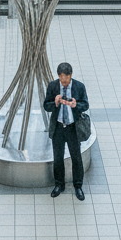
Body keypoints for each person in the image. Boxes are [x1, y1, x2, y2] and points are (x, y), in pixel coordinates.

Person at [43, 62, 90, 200]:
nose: (64, 81)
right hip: (58, 127)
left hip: (72, 127)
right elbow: (46, 105)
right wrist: (55, 103)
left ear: (71, 75)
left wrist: (76, 105)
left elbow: (85, 104)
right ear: (58, 76)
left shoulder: (79, 86)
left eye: (66, 78)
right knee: (58, 158)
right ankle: (59, 185)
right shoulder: (53, 86)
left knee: (76, 157)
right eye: (61, 78)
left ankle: (78, 186)